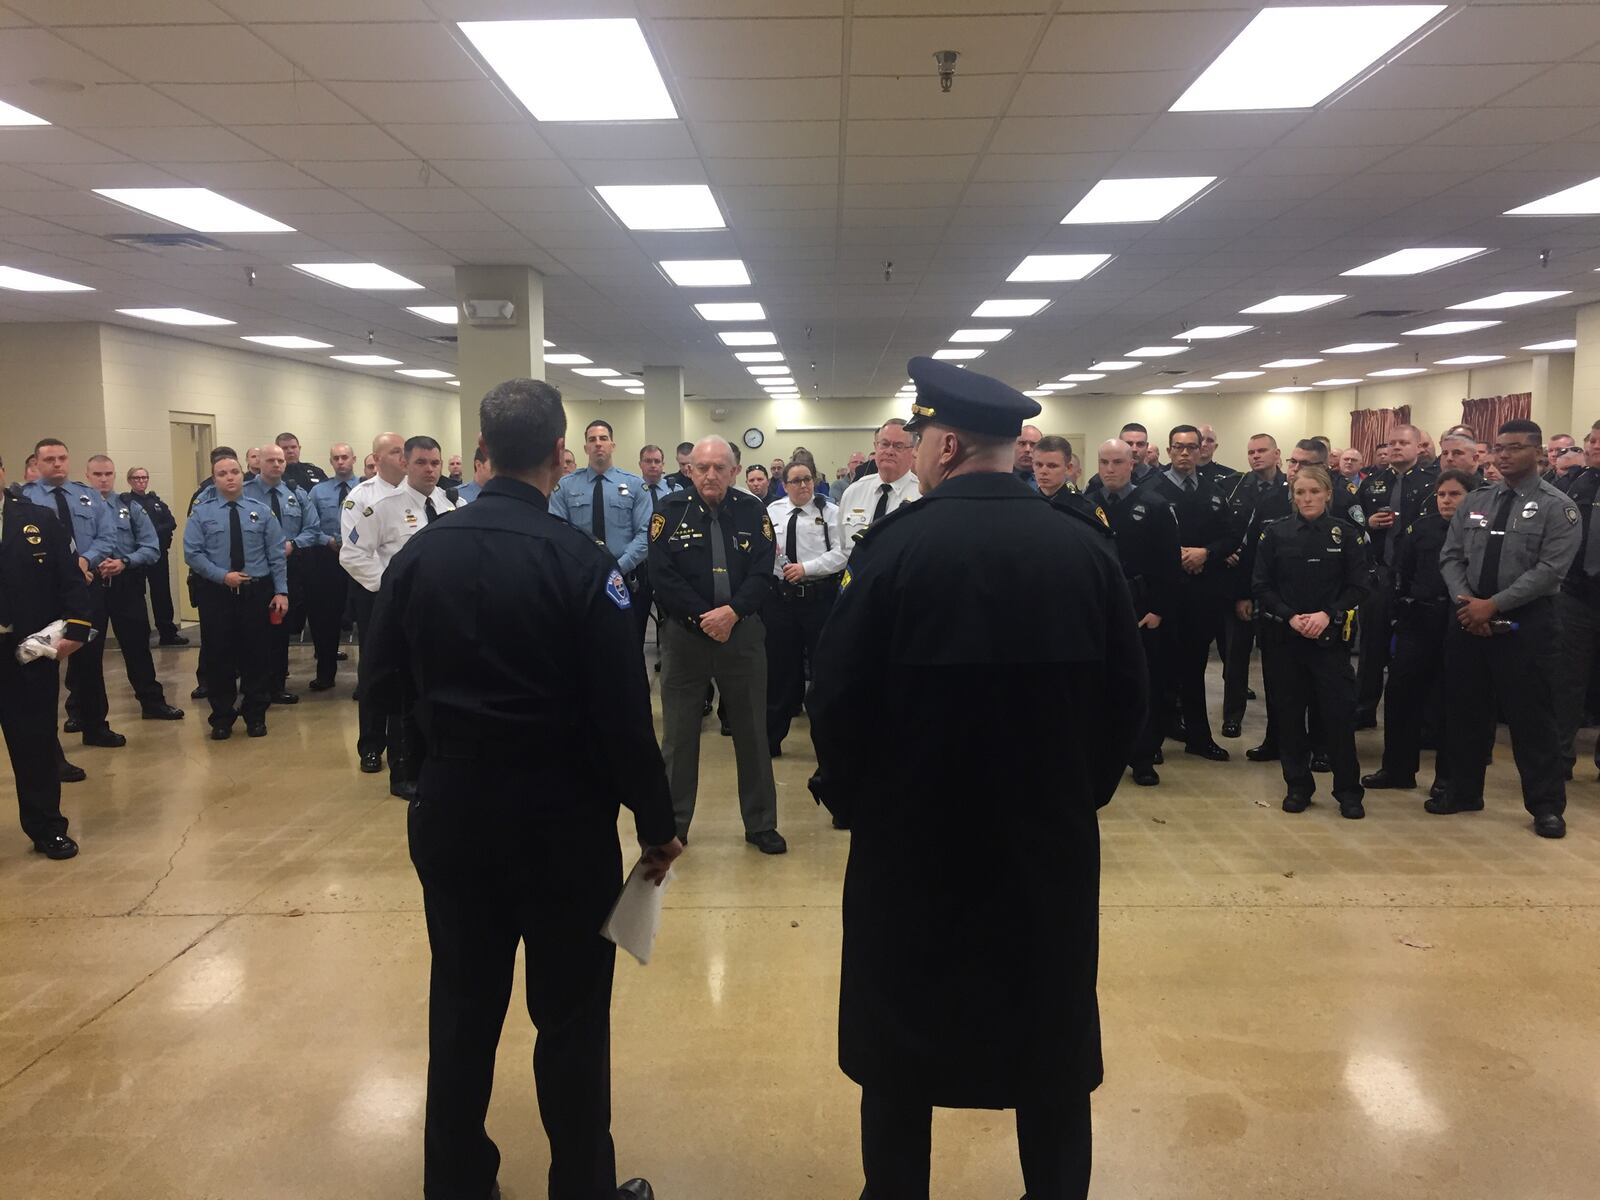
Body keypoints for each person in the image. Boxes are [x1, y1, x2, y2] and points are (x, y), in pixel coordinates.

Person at [809, 355, 1145, 1200]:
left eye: (920, 437)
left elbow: (836, 703)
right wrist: (1075, 795)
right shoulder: (1085, 553)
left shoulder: (892, 553)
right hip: (1045, 848)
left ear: (948, 442)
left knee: (900, 1043)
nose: (916, 451)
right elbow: (1128, 704)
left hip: (912, 851)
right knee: (1050, 1036)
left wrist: (859, 808)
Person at [362, 377, 678, 1200]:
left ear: (480, 454)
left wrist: (431, 755)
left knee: (462, 1010)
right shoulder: (583, 563)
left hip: (454, 809)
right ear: (560, 457)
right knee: (571, 1017)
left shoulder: (421, 555)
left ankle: (459, 1184)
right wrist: (656, 820)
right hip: (558, 819)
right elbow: (622, 715)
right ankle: (582, 1186)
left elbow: (382, 685)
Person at [1436, 420, 1579, 838]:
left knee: (1532, 719)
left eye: (1514, 448)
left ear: (1537, 453)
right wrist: (1469, 603)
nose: (1503, 455)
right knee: (1465, 712)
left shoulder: (1557, 506)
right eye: (1498, 448)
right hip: (1468, 618)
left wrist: (1493, 605)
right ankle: (1463, 792)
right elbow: (1451, 557)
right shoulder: (1476, 500)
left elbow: (1551, 570)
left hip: (1527, 623)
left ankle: (1546, 807)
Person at [649, 436, 785, 853]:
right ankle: (673, 827)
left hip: (741, 635)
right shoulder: (667, 512)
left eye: (719, 468)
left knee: (751, 733)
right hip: (685, 638)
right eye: (702, 467)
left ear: (735, 471)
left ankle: (761, 824)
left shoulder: (753, 510)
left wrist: (732, 613)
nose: (710, 475)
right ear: (689, 470)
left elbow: (763, 571)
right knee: (679, 737)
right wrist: (703, 617)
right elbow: (662, 575)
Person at [1252, 465, 1370, 818]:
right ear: (1293, 496)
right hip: (1285, 639)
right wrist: (1289, 615)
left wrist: (1327, 615)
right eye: (1300, 493)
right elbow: (1261, 584)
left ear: (1327, 495)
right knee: (1289, 716)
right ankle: (1298, 785)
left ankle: (1348, 790)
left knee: (1337, 717)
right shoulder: (1276, 533)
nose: (1307, 499)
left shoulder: (1345, 534)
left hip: (1328, 640)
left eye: (1314, 492)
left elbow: (1359, 585)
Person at [345, 436, 456, 798]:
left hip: (440, 614)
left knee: (434, 689)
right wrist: (391, 590)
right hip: (401, 612)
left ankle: (431, 763)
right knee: (404, 692)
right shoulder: (384, 506)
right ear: (406, 464)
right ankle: (402, 772)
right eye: (421, 463)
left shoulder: (449, 503)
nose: (429, 470)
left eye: (435, 463)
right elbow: (353, 554)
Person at [0, 455, 93, 860]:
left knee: (35, 743)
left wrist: (76, 628)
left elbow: (70, 578)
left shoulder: (36, 518)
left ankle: (47, 828)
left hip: (27, 652)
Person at [1363, 469, 1475, 793]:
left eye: (1454, 494)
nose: (1446, 501)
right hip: (1419, 621)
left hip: (1459, 622)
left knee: (1449, 703)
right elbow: (1402, 571)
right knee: (1400, 695)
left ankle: (1447, 779)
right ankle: (1397, 770)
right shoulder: (1421, 529)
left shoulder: (1477, 532)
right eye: (1442, 494)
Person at [1085, 437, 1179, 787]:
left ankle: (1143, 757)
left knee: (1143, 684)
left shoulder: (1154, 505)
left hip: (1142, 607)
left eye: (1117, 463)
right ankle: (1100, 753)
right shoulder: (1086, 504)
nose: (1110, 469)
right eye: (1104, 462)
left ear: (1132, 465)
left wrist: (1158, 610)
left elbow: (1169, 565)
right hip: (1098, 607)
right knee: (1098, 684)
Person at [23, 438, 123, 749]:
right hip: (43, 595)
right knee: (43, 667)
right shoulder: (23, 500)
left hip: (84, 590)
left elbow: (107, 536)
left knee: (89, 662)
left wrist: (85, 560)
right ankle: (46, 744)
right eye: (49, 459)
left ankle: (96, 726)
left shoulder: (88, 497)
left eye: (62, 458)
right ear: (37, 464)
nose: (57, 464)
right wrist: (65, 568)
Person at [1144, 424, 1235, 760]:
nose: (1185, 453)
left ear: (1201, 451)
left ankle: (1199, 737)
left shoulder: (1214, 492)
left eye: (1191, 447)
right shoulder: (1151, 489)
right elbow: (1141, 544)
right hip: (1165, 595)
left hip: (1201, 593)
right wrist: (1177, 557)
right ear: (1168, 451)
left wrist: (1205, 554)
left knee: (1195, 670)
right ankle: (1151, 742)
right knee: (1160, 671)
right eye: (1178, 447)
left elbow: (1230, 537)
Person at [183, 455, 288, 740]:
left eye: (233, 472)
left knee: (256, 656)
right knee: (219, 656)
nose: (229, 478)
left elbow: (276, 553)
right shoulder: (201, 513)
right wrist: (222, 576)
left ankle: (255, 715)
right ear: (214, 479)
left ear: (242, 475)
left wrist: (281, 591)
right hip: (217, 593)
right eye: (222, 474)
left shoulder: (261, 511)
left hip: (256, 592)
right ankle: (222, 717)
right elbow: (192, 553)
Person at [83, 455, 183, 723]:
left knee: (137, 647)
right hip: (90, 585)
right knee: (86, 651)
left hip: (125, 584)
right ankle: (83, 712)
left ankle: (152, 702)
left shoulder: (130, 507)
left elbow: (151, 547)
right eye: (97, 474)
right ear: (87, 475)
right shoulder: (77, 508)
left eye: (108, 474)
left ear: (115, 475)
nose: (103, 479)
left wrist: (125, 561)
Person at [763, 459, 846, 757]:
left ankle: (828, 746)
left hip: (818, 600)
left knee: (823, 672)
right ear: (784, 485)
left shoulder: (830, 512)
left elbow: (842, 553)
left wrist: (806, 568)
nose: (803, 485)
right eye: (796, 480)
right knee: (781, 673)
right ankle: (770, 741)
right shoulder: (772, 512)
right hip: (781, 602)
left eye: (807, 479)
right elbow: (763, 552)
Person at [1354, 425, 1435, 727]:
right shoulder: (1373, 483)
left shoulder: (1432, 483)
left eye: (1404, 443)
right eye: (1392, 443)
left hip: (1416, 577)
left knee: (1413, 651)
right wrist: (1369, 524)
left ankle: (1415, 717)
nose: (1396, 448)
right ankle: (1363, 709)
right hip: (1379, 573)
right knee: (1371, 647)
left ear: (1418, 447)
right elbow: (1353, 520)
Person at [341, 432, 407, 774]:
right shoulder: (361, 498)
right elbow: (353, 555)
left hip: (411, 600)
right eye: (395, 452)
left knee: (406, 674)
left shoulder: (417, 495)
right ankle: (371, 744)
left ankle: (402, 746)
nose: (403, 457)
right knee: (375, 672)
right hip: (375, 595)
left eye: (404, 451)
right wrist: (389, 589)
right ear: (377, 459)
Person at [247, 444, 322, 704]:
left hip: (289, 568)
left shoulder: (295, 493)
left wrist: (293, 544)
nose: (277, 465)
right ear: (259, 463)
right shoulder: (245, 493)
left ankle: (277, 685)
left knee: (280, 631)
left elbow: (312, 528)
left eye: (280, 461)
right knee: (253, 631)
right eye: (271, 460)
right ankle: (253, 687)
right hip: (255, 571)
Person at [550, 421, 653, 612]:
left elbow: (645, 534)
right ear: (586, 447)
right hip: (580, 578)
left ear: (612, 445)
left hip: (626, 577)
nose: (598, 443)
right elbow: (557, 533)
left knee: (628, 640)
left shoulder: (635, 485)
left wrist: (617, 568)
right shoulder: (565, 487)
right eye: (592, 439)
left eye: (603, 438)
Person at [1220, 433, 1284, 738]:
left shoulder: (1291, 490)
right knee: (1236, 658)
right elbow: (1228, 535)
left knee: (1275, 663)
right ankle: (1232, 716)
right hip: (1241, 584)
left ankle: (1278, 727)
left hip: (1279, 589)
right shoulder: (1235, 488)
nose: (1256, 456)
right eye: (1251, 452)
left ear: (1277, 454)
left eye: (1262, 451)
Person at [1553, 421, 1600, 780]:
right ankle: (1560, 757)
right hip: (1576, 592)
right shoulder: (1576, 482)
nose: (1596, 446)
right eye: (1593, 440)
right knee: (1568, 679)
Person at [305, 443, 359, 691]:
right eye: (336, 458)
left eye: (345, 457)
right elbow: (309, 527)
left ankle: (365, 679)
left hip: (360, 559)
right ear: (331, 461)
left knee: (364, 619)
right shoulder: (318, 491)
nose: (341, 462)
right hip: (327, 560)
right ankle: (325, 674)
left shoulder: (365, 488)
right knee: (325, 620)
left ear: (353, 459)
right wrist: (327, 540)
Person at [122, 466, 186, 645]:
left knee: (162, 593)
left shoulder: (156, 502)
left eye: (144, 478)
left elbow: (171, 522)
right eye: (136, 478)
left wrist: (154, 532)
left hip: (158, 554)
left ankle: (168, 633)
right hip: (137, 555)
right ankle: (140, 635)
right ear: (130, 481)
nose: (141, 481)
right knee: (137, 595)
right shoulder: (126, 503)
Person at [838, 420, 919, 550]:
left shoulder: (922, 496)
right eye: (885, 444)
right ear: (876, 447)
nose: (889, 451)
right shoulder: (854, 492)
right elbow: (842, 549)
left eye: (898, 446)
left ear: (913, 451)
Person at [1013, 422, 1042, 488]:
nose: (1027, 449)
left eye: (1033, 445)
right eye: (1022, 444)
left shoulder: (1052, 480)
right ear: (1012, 446)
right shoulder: (999, 476)